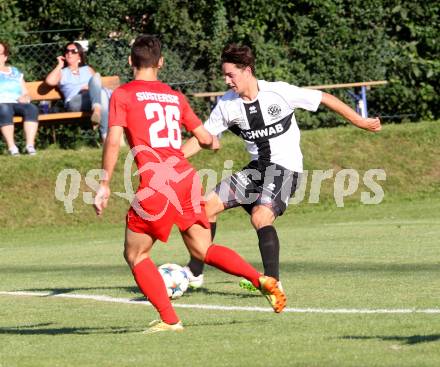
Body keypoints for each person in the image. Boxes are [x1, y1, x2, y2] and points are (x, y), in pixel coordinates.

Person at [93, 35, 286, 334]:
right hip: (186, 180)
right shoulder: (174, 97)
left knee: (136, 255)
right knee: (203, 249)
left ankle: (170, 320)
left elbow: (114, 140)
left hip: (157, 185)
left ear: (131, 62)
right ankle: (261, 279)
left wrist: (104, 182)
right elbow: (206, 138)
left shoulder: (123, 95)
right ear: (161, 63)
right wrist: (212, 144)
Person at [182, 43, 382, 291]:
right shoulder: (227, 104)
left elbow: (324, 98)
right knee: (206, 207)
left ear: (247, 70)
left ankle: (273, 282)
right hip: (256, 169)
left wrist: (359, 121)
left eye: (230, 74)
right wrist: (173, 160)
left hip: (285, 168)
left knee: (261, 216)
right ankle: (195, 273)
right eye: (224, 75)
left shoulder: (278, 92)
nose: (226, 81)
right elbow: (203, 137)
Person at [45, 41, 110, 142]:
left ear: (79, 55)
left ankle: (97, 114)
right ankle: (105, 134)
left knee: (97, 81)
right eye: (67, 51)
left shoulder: (87, 69)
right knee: (103, 97)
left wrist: (89, 88)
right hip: (74, 101)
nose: (69, 53)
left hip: (91, 99)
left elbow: (98, 87)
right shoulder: (62, 72)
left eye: (73, 51)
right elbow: (49, 81)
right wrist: (59, 65)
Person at [0, 41, 39, 156]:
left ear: (5, 57)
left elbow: (25, 92)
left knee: (32, 108)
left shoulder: (15, 71)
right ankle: (12, 147)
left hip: (17, 102)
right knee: (4, 109)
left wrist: (25, 97)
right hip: (1, 104)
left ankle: (30, 146)